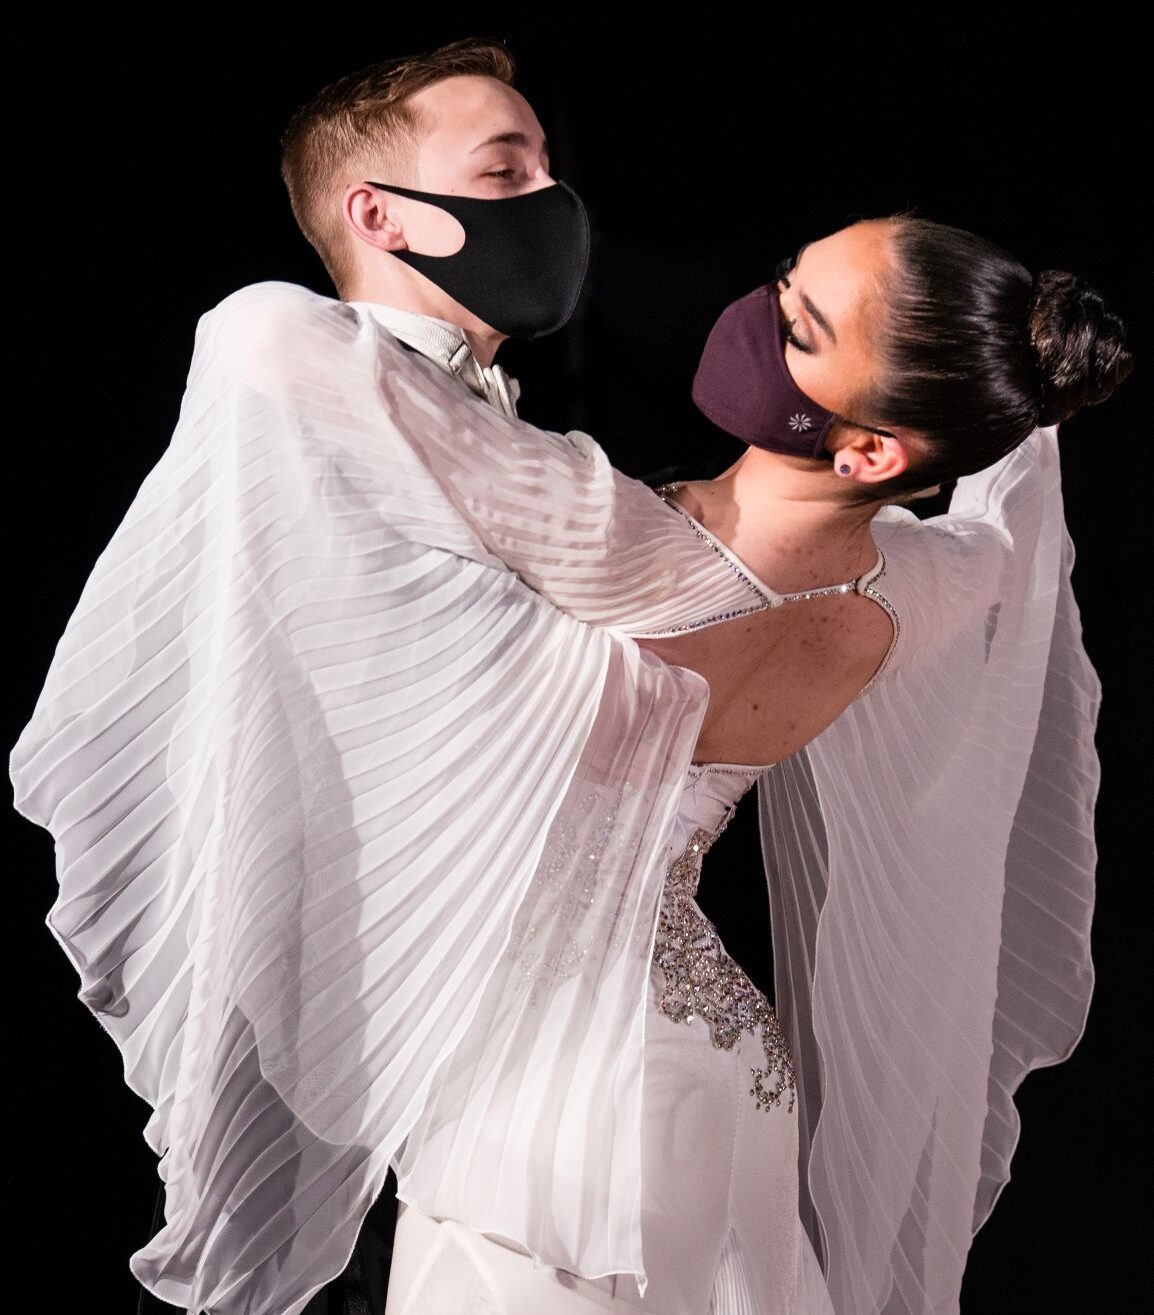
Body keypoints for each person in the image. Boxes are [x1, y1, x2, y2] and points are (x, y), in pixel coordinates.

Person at [9, 38, 1131, 1315]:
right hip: (722, 1082)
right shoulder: (911, 590)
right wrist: (1008, 389)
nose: (756, 313)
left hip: (558, 1125)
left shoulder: (616, 538)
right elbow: (996, 537)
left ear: (869, 443)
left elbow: (262, 332)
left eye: (797, 323)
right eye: (780, 281)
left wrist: (416, 297)